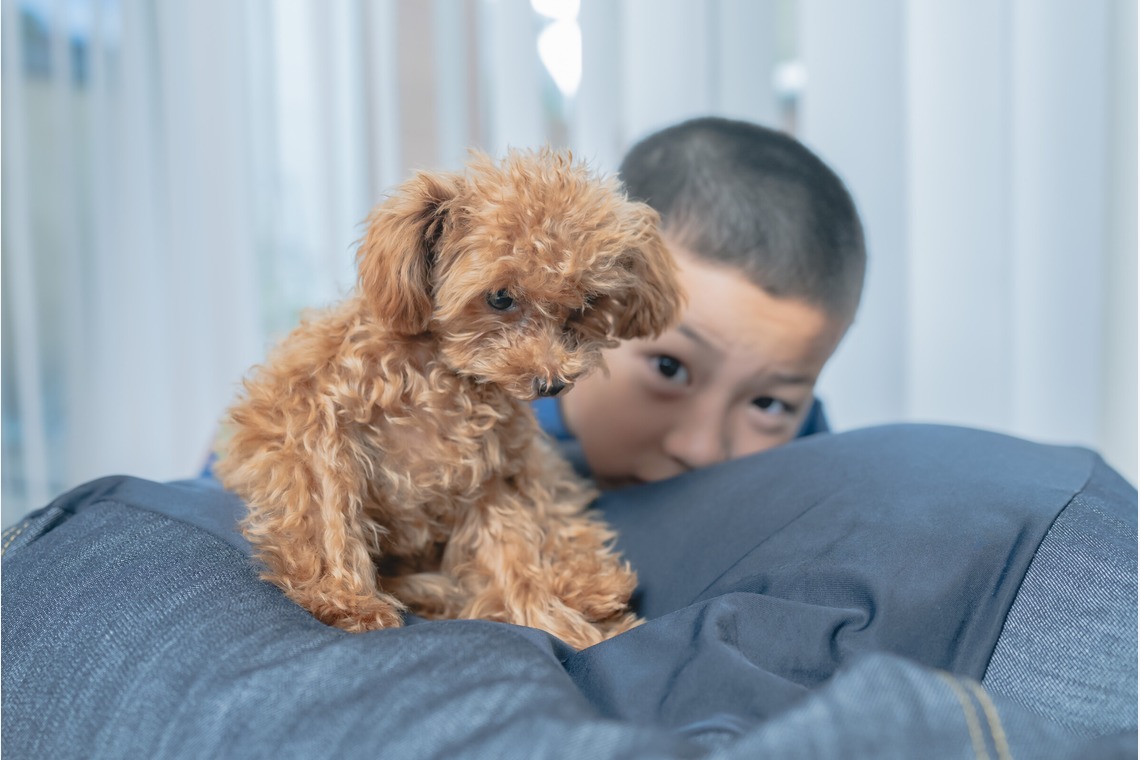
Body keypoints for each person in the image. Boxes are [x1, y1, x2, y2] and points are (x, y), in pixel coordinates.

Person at [3, 118, 1135, 759]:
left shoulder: (786, 484)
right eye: (668, 367)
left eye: (775, 399)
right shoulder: (449, 390)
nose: (705, 441)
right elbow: (246, 491)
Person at [534, 117, 863, 489]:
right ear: (579, 307)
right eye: (669, 368)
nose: (701, 451)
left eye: (768, 404)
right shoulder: (479, 428)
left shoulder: (809, 468)